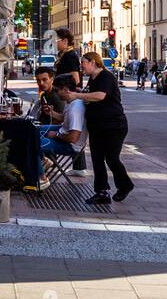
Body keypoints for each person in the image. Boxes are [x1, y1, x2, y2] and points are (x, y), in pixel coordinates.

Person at [64, 51, 133, 204]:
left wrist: (78, 96)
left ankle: (125, 185)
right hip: (97, 127)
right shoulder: (93, 79)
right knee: (97, 159)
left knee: (112, 158)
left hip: (113, 126)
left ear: (93, 62)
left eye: (83, 63)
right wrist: (81, 93)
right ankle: (102, 192)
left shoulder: (106, 77)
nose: (81, 66)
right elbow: (90, 96)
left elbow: (100, 96)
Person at [42, 74, 87, 163]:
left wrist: (56, 135)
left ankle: (41, 174)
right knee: (33, 130)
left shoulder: (76, 108)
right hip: (63, 132)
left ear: (66, 89)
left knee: (32, 143)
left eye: (57, 90)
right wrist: (52, 113)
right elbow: (65, 118)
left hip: (70, 146)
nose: (55, 92)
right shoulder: (71, 100)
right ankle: (42, 161)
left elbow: (73, 138)